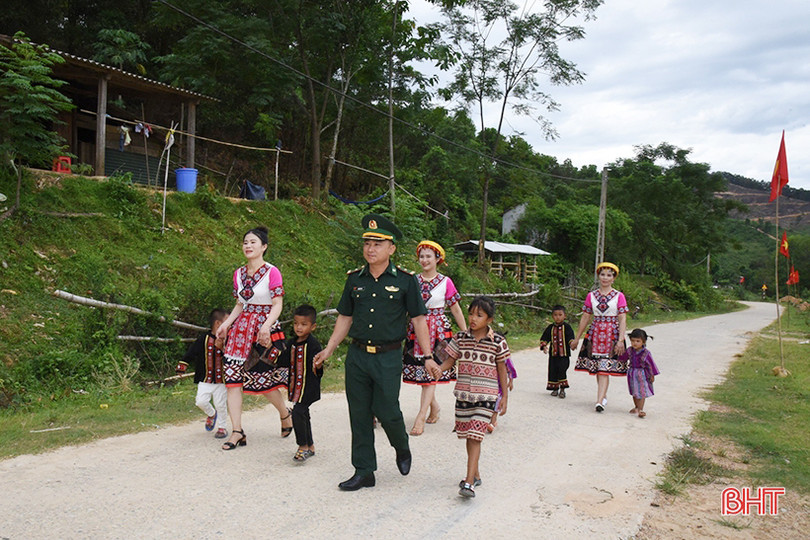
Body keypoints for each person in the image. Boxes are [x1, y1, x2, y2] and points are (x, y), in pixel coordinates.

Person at [313, 214, 440, 491]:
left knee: (387, 410)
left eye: (378, 244)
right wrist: (330, 348)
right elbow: (345, 317)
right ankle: (364, 470)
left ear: (391, 248)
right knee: (358, 413)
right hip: (357, 356)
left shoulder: (406, 281)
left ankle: (401, 446)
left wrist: (428, 356)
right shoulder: (354, 280)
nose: (371, 249)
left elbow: (419, 320)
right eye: (367, 243)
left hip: (388, 356)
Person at [215, 226, 293, 450]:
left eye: (253, 242)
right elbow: (240, 304)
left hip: (263, 332)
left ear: (264, 247)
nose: (248, 246)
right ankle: (237, 431)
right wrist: (226, 325)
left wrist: (266, 326)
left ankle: (284, 413)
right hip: (239, 333)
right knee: (232, 381)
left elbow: (277, 304)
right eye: (245, 242)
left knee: (264, 382)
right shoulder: (238, 274)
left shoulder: (272, 272)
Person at [435, 296, 510, 498]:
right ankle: (475, 474)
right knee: (469, 436)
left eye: (479, 315)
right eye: (471, 314)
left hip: (486, 396)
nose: (473, 318)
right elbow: (450, 361)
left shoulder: (497, 342)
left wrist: (504, 397)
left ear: (489, 320)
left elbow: (502, 369)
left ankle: (468, 483)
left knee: (476, 436)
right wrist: (438, 370)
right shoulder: (460, 338)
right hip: (464, 396)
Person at [402, 240, 467, 436]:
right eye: (421, 256)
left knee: (431, 374)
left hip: (439, 334)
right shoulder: (412, 280)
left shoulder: (446, 282)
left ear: (438, 259)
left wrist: (465, 334)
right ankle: (434, 406)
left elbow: (455, 308)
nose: (424, 260)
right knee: (422, 374)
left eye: (428, 256)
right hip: (416, 330)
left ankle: (420, 417)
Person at [571, 262, 628, 413]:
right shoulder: (592, 296)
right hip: (595, 335)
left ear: (614, 278)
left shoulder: (618, 296)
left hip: (612, 335)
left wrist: (621, 339)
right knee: (598, 368)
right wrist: (577, 338)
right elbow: (585, 317)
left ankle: (599, 400)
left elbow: (622, 318)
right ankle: (602, 395)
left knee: (604, 368)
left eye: (609, 275)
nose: (605, 278)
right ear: (598, 276)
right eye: (603, 274)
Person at [277, 304, 323, 462]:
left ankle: (302, 446)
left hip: (308, 387)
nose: (299, 327)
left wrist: (318, 365)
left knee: (297, 412)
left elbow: (319, 366)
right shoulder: (291, 343)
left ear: (313, 326)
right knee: (303, 414)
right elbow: (281, 360)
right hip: (296, 387)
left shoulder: (314, 345)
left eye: (304, 324)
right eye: (296, 323)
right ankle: (310, 446)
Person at [175, 308, 230, 438]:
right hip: (205, 378)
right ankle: (211, 414)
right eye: (227, 322)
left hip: (221, 379)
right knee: (200, 401)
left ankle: (222, 427)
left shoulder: (229, 340)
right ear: (218, 323)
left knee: (221, 404)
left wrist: (222, 346)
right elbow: (191, 353)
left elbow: (232, 356)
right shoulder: (203, 339)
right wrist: (182, 365)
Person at [621, 328, 660, 418]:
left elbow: (651, 365)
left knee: (641, 392)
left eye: (638, 341)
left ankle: (641, 409)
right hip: (632, 373)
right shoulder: (630, 350)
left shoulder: (646, 353)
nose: (635, 343)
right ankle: (636, 407)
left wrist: (652, 375)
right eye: (633, 341)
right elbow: (623, 358)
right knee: (634, 391)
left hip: (642, 374)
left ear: (644, 341)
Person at [539, 305, 575, 399]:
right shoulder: (550, 328)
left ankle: (562, 390)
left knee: (562, 370)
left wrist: (572, 344)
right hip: (553, 355)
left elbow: (571, 337)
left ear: (564, 316)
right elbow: (545, 337)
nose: (558, 317)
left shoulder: (567, 327)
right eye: (555, 315)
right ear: (552, 316)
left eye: (560, 315)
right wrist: (544, 345)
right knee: (553, 371)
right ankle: (555, 389)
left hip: (564, 355)